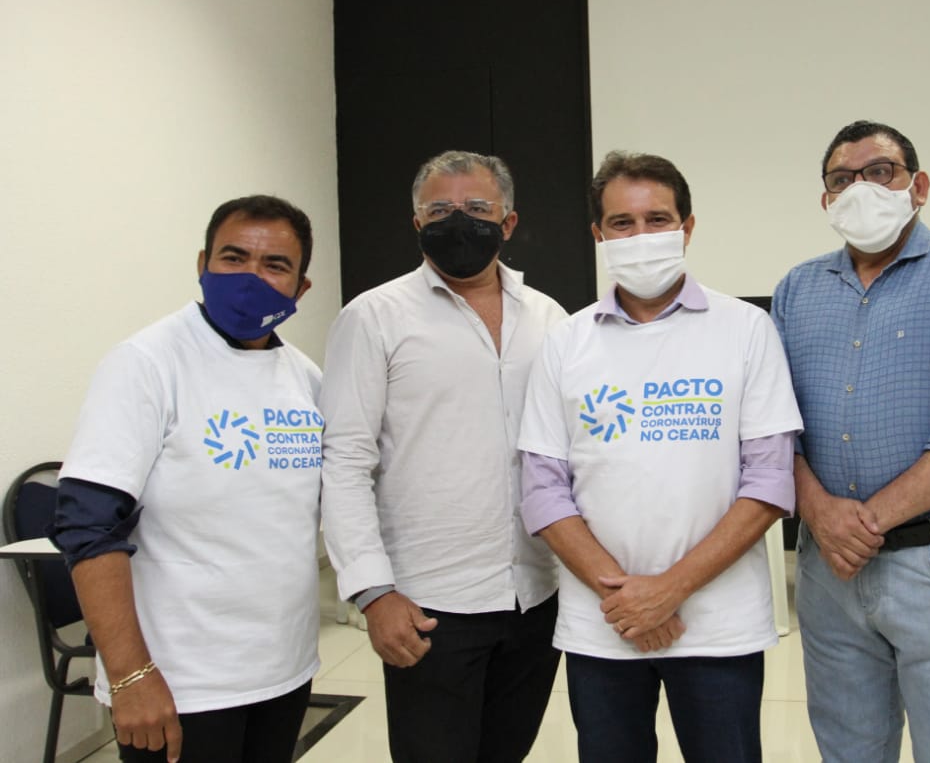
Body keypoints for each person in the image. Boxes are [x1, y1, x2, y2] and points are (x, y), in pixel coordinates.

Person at [518, 150, 802, 763]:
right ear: (598, 235)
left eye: (657, 220)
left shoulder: (745, 329)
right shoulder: (566, 342)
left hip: (719, 625)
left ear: (687, 228)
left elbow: (770, 481)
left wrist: (669, 590)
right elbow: (542, 490)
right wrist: (629, 599)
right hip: (603, 624)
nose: (640, 236)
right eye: (622, 223)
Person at [771, 120, 930, 762]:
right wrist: (821, 515)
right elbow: (774, 431)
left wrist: (860, 524)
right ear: (826, 200)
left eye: (880, 172)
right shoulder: (797, 289)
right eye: (842, 179)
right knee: (848, 751)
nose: (861, 188)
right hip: (828, 571)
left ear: (919, 186)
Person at [52, 195, 321, 763]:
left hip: (284, 671)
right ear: (203, 264)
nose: (251, 278)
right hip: (179, 685)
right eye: (233, 258)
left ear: (301, 289)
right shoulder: (145, 363)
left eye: (275, 265)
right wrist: (130, 676)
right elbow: (87, 527)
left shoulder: (306, 379)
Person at [319, 150, 567, 762]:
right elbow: (344, 462)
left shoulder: (550, 318)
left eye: (477, 208)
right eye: (440, 211)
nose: (459, 221)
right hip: (427, 605)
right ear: (416, 223)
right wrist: (373, 592)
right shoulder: (373, 317)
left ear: (508, 222)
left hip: (535, 594)